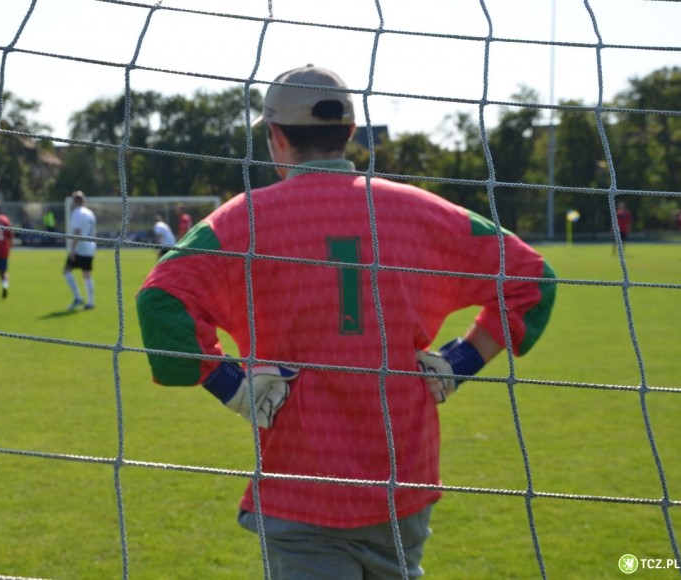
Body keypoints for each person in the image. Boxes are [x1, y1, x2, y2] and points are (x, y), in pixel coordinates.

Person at [135, 65, 557, 578]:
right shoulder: (422, 209)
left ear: (274, 136)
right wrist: (458, 361)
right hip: (403, 473)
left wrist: (233, 387)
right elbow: (532, 278)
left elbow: (160, 299)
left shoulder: (238, 220)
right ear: (350, 132)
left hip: (300, 477)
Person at [64, 191, 97, 310]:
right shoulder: (90, 213)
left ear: (74, 202)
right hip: (90, 247)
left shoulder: (77, 213)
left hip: (80, 247)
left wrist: (72, 249)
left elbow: (77, 233)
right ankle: (91, 302)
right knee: (87, 274)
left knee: (67, 271)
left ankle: (78, 297)